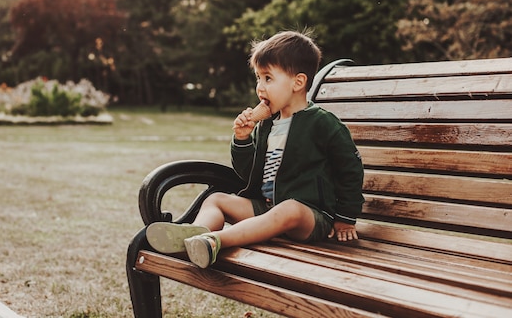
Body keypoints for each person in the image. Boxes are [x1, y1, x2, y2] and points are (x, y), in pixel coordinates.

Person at [146, 30, 365, 268]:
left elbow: (350, 169)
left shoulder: (322, 123)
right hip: (266, 207)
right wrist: (242, 140)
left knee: (289, 209)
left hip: (311, 216)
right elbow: (249, 173)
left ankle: (214, 241)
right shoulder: (267, 124)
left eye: (268, 78)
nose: (260, 87)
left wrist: (345, 218)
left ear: (298, 82)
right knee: (216, 199)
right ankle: (194, 234)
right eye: (258, 78)